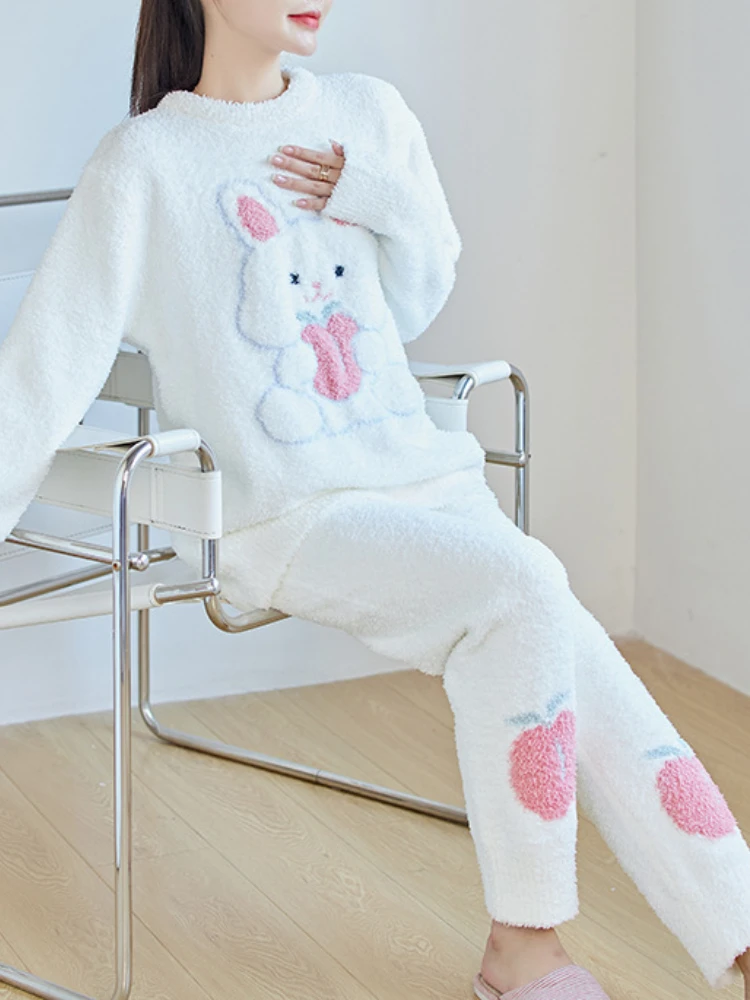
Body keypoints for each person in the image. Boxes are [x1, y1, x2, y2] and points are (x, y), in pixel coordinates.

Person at [2, 1, 750, 996]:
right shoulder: (143, 164)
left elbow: (410, 299)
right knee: (526, 585)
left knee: (565, 642)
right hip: (287, 516)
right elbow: (44, 369)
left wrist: (374, 192)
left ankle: (737, 933)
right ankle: (525, 947)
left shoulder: (368, 112)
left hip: (425, 475)